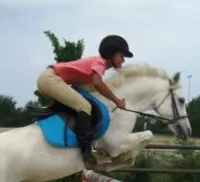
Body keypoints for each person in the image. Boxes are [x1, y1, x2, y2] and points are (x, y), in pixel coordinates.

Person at [36, 34, 133, 166]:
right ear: (112, 53)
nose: (123, 60)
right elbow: (98, 84)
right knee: (85, 106)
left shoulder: (96, 66)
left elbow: (88, 88)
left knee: (78, 105)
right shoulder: (99, 62)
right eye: (122, 56)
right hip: (50, 79)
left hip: (49, 79)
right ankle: (86, 151)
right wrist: (116, 100)